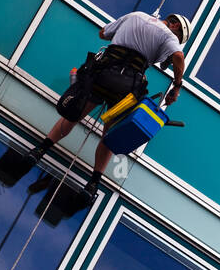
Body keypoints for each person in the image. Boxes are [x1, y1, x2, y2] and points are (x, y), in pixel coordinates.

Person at [23, 10, 191, 201]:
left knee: (74, 115)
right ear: (175, 26)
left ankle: (40, 150)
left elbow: (103, 33)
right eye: (179, 37)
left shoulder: (135, 15)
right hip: (125, 90)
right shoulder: (168, 35)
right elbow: (178, 56)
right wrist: (177, 86)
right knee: (110, 135)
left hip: (101, 76)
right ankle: (93, 183)